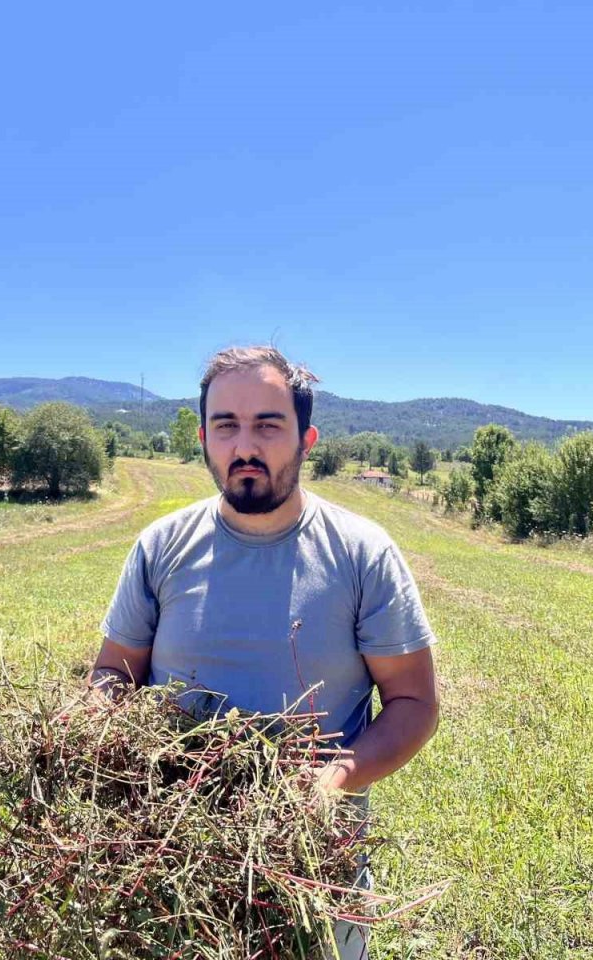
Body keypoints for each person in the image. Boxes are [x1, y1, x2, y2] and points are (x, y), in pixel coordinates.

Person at [89, 345, 439, 959]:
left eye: (268, 425)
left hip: (313, 870)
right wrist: (91, 729)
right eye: (226, 425)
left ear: (307, 439)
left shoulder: (362, 553)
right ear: (203, 437)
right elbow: (112, 677)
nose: (244, 446)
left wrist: (331, 780)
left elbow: (413, 701)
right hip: (168, 863)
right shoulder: (160, 548)